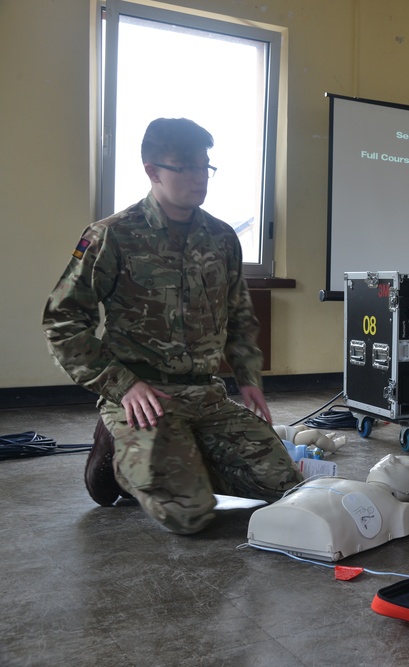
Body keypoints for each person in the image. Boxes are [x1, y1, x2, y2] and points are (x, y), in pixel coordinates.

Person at [42, 117, 302, 535]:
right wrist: (123, 386)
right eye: (187, 168)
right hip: (144, 395)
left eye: (205, 167)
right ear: (153, 171)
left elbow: (238, 313)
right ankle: (117, 449)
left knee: (287, 487)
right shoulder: (112, 236)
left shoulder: (221, 238)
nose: (200, 178)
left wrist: (248, 377)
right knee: (189, 514)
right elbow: (63, 321)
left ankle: (183, 453)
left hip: (205, 394)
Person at [248, 454, 409, 561]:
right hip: (295, 527)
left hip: (274, 527)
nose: (391, 458)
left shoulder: (401, 510)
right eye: (387, 457)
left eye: (405, 464)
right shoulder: (333, 480)